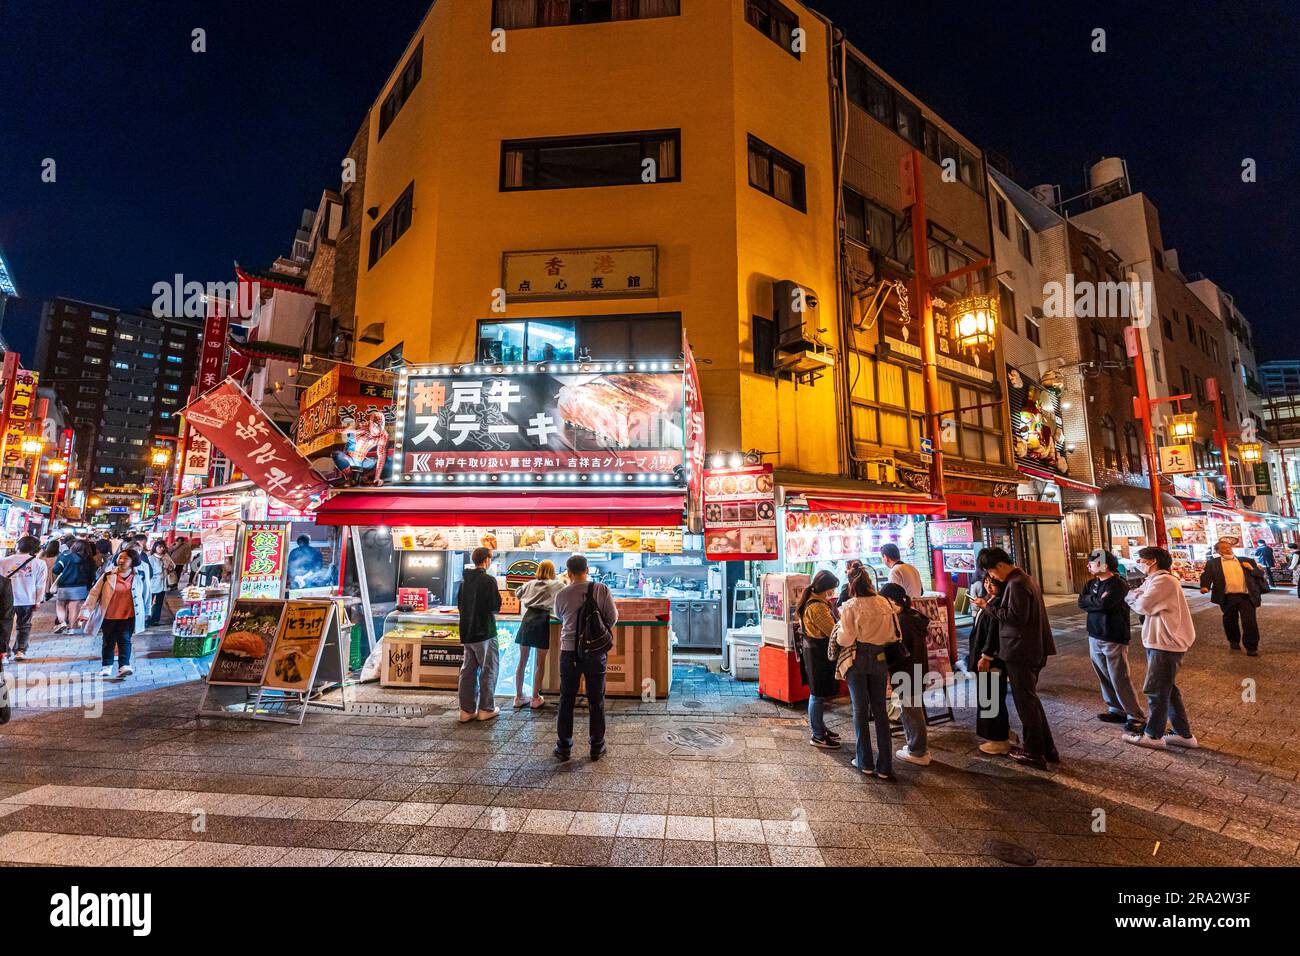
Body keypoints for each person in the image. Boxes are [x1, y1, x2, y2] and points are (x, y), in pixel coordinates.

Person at [970, 547, 1058, 770]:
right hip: (1028, 649)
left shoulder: (1016, 583)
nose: (992, 578)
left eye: (992, 572)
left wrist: (987, 606)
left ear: (1000, 565)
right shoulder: (1023, 579)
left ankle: (1034, 753)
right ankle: (1047, 749)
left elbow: (1014, 618)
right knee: (1031, 701)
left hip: (1021, 651)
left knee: (1026, 703)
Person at [1124, 546, 1198, 750]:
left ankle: (1153, 735)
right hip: (1160, 642)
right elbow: (1140, 596)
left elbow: (1142, 605)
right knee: (1168, 690)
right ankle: (1183, 734)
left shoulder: (1164, 581)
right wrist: (1136, 595)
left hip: (1166, 644)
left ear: (1152, 561)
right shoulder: (1155, 580)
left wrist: (1132, 596)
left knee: (1156, 690)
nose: (1138, 563)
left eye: (1140, 560)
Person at [552, 554, 618, 762]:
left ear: (568, 573)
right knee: (596, 698)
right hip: (595, 652)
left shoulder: (562, 594)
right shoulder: (601, 589)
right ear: (587, 570)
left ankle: (564, 747)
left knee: (566, 699)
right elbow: (612, 618)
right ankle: (597, 746)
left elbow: (559, 617)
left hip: (569, 651)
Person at [836, 570, 900, 780]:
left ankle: (864, 761)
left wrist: (837, 633)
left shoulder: (851, 606)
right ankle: (885, 766)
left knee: (860, 709)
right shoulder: (884, 603)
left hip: (858, 657)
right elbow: (894, 634)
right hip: (880, 656)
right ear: (870, 583)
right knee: (880, 709)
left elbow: (845, 639)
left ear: (852, 586)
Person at [1078, 548, 1145, 733]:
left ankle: (1135, 715)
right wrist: (1095, 601)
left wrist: (1093, 601)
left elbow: (1105, 605)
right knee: (1103, 675)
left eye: (1092, 562)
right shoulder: (1091, 583)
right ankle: (1116, 709)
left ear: (1104, 565)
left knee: (1119, 677)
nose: (1088, 565)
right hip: (1094, 634)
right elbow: (1081, 602)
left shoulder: (1118, 584)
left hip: (1114, 635)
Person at [879, 582, 931, 767]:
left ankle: (918, 751)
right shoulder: (913, 617)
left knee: (911, 712)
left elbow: (897, 651)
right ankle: (918, 747)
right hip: (917, 669)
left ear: (891, 601)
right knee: (913, 709)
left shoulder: (901, 622)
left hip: (906, 672)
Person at [80, 548, 149, 679]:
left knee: (125, 640)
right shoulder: (108, 575)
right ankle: (107, 666)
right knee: (108, 641)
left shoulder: (140, 576)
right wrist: (86, 611)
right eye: (120, 557)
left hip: (128, 615)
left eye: (126, 558)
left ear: (133, 561)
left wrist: (146, 611)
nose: (121, 560)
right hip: (109, 615)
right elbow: (94, 593)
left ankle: (124, 666)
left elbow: (146, 594)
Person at [967, 575, 1015, 754]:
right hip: (987, 657)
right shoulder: (990, 601)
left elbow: (993, 634)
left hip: (991, 659)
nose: (988, 585)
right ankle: (1003, 732)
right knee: (993, 695)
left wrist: (986, 656)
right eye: (987, 582)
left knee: (991, 697)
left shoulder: (997, 604)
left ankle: (998, 740)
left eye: (993, 583)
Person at [795, 570, 842, 750]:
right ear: (827, 588)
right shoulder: (817, 607)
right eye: (832, 589)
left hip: (813, 653)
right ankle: (818, 735)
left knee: (818, 694)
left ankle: (820, 728)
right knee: (817, 695)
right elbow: (833, 632)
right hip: (818, 654)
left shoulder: (814, 601)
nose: (832, 592)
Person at [1199, 538, 1267, 656]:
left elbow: (1260, 574)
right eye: (1224, 548)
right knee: (1230, 620)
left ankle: (1251, 647)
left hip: (1246, 596)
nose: (1228, 549)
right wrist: (1205, 586)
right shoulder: (1213, 563)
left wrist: (1251, 568)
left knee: (1250, 621)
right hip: (1227, 597)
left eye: (1229, 547)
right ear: (1218, 551)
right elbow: (1206, 576)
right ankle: (1234, 641)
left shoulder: (1247, 561)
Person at [456, 547, 502, 723]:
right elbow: (495, 606)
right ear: (487, 560)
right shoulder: (489, 580)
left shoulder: (464, 581)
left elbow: (460, 605)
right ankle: (485, 708)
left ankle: (466, 710)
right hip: (485, 631)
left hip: (467, 631)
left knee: (468, 670)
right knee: (488, 669)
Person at [513, 559, 564, 710]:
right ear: (552, 571)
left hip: (528, 619)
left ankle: (518, 697)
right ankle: (535, 698)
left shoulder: (530, 583)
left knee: (522, 661)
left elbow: (517, 593)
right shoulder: (557, 584)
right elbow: (566, 593)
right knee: (540, 663)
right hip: (542, 620)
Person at [0, 536, 49, 663]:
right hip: (27, 598)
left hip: (5, 600)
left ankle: (3, 654)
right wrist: (38, 600)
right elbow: (40, 584)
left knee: (4, 626)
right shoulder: (39, 563)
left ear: (18, 546)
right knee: (24, 625)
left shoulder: (4, 561)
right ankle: (20, 650)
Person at [51, 540, 95, 634]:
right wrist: (88, 587)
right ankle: (71, 629)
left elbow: (55, 570)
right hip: (80, 587)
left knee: (60, 605)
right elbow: (92, 576)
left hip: (64, 586)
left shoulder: (66, 557)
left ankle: (62, 623)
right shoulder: (90, 560)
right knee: (73, 607)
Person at [144, 541, 174, 627]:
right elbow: (149, 571)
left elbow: (173, 565)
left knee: (159, 603)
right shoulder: (151, 558)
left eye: (163, 547)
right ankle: (147, 619)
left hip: (163, 583)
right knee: (150, 603)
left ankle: (155, 620)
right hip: (154, 583)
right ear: (155, 547)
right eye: (159, 547)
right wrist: (160, 570)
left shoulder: (166, 556)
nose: (161, 549)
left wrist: (169, 567)